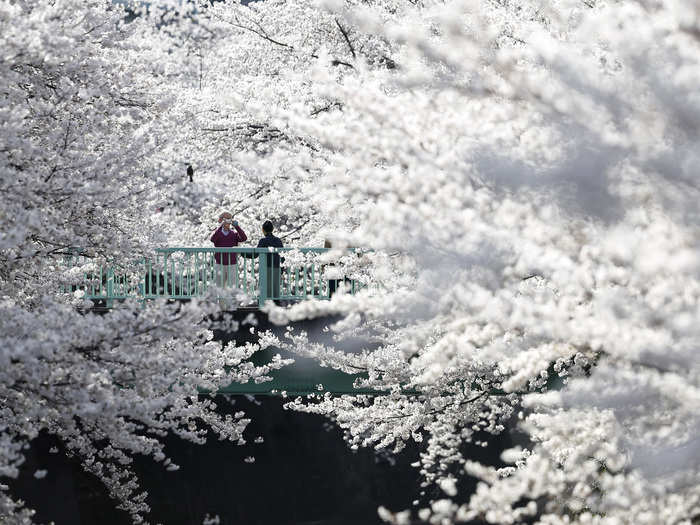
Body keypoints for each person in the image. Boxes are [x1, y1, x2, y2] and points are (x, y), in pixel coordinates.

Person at [210, 212, 247, 290]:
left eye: (228, 220)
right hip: (220, 264)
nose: (227, 223)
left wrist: (237, 227)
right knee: (219, 288)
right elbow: (213, 239)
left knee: (232, 288)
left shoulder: (233, 234)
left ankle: (231, 302)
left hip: (232, 264)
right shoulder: (218, 233)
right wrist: (220, 226)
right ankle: (220, 302)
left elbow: (244, 238)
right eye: (225, 220)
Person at [257, 220, 283, 300]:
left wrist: (241, 253)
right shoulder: (278, 240)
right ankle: (276, 304)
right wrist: (282, 268)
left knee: (265, 288)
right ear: (272, 229)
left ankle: (264, 306)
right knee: (275, 289)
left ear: (263, 230)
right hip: (276, 267)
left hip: (266, 268)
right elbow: (282, 255)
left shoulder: (263, 241)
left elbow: (255, 254)